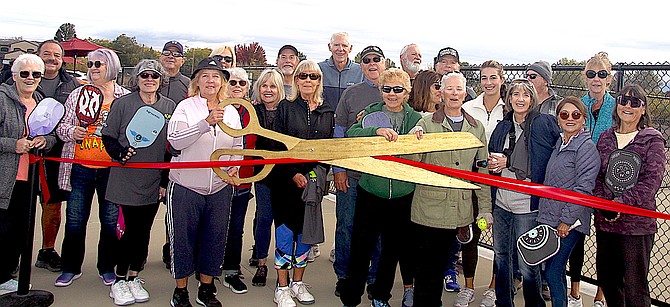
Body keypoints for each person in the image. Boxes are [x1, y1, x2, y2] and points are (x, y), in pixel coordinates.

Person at [408, 71, 492, 307]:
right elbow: (411, 162)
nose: (454, 93)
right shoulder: (425, 124)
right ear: (441, 93)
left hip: (459, 211)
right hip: (428, 210)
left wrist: (485, 209)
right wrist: (414, 141)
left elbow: (481, 171)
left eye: (459, 89)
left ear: (465, 93)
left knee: (446, 263)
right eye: (449, 89)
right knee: (426, 274)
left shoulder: (476, 129)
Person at [339, 68, 422, 307]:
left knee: (390, 250)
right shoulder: (372, 113)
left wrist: (418, 137)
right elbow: (351, 134)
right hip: (370, 190)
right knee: (361, 246)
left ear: (406, 92)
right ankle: (351, 296)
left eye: (398, 89)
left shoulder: (415, 118)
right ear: (380, 90)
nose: (392, 94)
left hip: (402, 193)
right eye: (387, 89)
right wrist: (375, 132)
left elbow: (423, 144)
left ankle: (380, 295)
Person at [166, 57, 241, 307]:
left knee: (216, 237)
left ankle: (206, 287)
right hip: (186, 186)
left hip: (220, 187)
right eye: (206, 76)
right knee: (183, 239)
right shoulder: (186, 107)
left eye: (216, 76)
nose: (211, 80)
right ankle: (181, 289)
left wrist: (233, 164)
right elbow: (175, 141)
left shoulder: (231, 110)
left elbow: (237, 144)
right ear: (197, 81)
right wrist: (204, 124)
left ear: (222, 82)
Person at [102, 59, 175, 306]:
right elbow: (108, 137)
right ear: (136, 79)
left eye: (154, 75)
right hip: (124, 180)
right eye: (144, 75)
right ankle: (119, 280)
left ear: (160, 80)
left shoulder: (169, 106)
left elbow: (169, 148)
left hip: (153, 181)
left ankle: (134, 277)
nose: (150, 79)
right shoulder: (122, 104)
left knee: (143, 231)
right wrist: (119, 153)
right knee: (126, 232)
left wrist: (164, 181)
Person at [55, 48, 130, 287]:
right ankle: (70, 267)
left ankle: (107, 267)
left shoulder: (125, 97)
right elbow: (61, 127)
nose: (94, 67)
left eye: (100, 63)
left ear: (112, 67)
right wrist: (72, 132)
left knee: (110, 221)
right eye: (91, 63)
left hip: (112, 169)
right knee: (75, 219)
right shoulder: (77, 95)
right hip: (80, 167)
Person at [488, 78, 560, 307]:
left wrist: (509, 161)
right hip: (501, 201)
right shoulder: (503, 125)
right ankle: (504, 301)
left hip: (526, 205)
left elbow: (542, 162)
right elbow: (493, 155)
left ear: (532, 99)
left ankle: (534, 303)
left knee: (528, 262)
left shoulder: (542, 124)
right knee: (501, 257)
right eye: (515, 94)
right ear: (508, 99)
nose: (520, 99)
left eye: (525, 95)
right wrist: (493, 163)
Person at [593, 84, 665, 307]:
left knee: (635, 287)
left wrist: (620, 204)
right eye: (623, 100)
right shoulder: (606, 137)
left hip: (636, 226)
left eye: (635, 103)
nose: (628, 106)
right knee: (608, 279)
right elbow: (596, 175)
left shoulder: (652, 139)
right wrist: (604, 204)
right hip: (606, 224)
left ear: (643, 109)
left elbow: (652, 180)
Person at [272, 60, 334, 307]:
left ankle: (298, 283)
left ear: (319, 81)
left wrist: (317, 175)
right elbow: (277, 147)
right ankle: (282, 287)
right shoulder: (285, 108)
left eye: (313, 76)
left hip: (313, 183)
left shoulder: (327, 110)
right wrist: (292, 173)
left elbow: (329, 148)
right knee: (286, 234)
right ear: (296, 80)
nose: (308, 81)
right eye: (303, 76)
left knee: (305, 235)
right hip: (287, 182)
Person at [332, 45, 386, 302]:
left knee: (378, 232)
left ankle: (375, 280)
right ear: (361, 64)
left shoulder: (395, 91)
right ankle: (344, 276)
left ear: (384, 63)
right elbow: (339, 130)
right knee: (346, 227)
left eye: (377, 59)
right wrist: (339, 168)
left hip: (382, 177)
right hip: (352, 176)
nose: (372, 64)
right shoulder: (351, 93)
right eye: (367, 60)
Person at [0, 54, 56, 292]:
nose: (30, 78)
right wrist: (14, 144)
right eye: (25, 73)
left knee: (19, 233)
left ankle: (7, 276)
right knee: (3, 230)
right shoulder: (2, 99)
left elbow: (53, 134)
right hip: (5, 179)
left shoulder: (42, 101)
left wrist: (46, 140)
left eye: (36, 74)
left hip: (30, 179)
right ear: (14, 76)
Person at [536, 96, 600, 307]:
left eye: (575, 115)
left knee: (554, 271)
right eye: (564, 114)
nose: (569, 119)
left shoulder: (586, 148)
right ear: (558, 119)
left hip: (568, 223)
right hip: (550, 218)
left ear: (583, 119)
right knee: (553, 271)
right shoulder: (559, 143)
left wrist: (566, 220)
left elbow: (583, 188)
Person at [458, 60, 506, 306]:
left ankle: (493, 288)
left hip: (500, 181)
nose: (488, 82)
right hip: (472, 178)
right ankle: (468, 286)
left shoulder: (509, 109)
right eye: (484, 78)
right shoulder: (468, 107)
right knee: (470, 235)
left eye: (493, 77)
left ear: (501, 79)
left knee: (500, 237)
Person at [569, 52, 615, 306]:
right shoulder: (578, 106)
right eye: (591, 74)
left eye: (601, 74)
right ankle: (574, 292)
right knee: (577, 236)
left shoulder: (618, 108)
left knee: (605, 241)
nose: (596, 79)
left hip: (606, 183)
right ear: (584, 78)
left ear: (609, 78)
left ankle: (600, 294)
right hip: (580, 180)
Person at [33, 39, 80, 273]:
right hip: (21, 153)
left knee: (52, 207)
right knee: (15, 206)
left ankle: (47, 250)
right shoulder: (20, 77)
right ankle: (10, 255)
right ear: (37, 55)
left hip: (56, 154)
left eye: (56, 55)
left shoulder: (71, 85)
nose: (52, 59)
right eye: (47, 54)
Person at [248, 69, 285, 288]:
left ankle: (283, 263)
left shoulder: (286, 111)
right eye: (264, 86)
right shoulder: (253, 111)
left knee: (283, 221)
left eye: (272, 86)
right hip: (261, 173)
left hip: (283, 174)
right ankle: (261, 261)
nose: (268, 90)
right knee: (264, 218)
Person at [220, 67, 255, 295]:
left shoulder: (253, 113)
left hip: (243, 180)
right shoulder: (215, 108)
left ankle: (232, 270)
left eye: (242, 83)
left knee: (235, 229)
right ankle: (208, 267)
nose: (237, 87)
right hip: (216, 180)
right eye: (232, 82)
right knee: (213, 227)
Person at [158, 40, 190, 270]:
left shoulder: (188, 86)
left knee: (175, 209)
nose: (171, 57)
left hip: (177, 154)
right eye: (166, 53)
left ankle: (173, 248)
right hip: (149, 155)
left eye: (176, 54)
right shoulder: (149, 80)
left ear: (182, 60)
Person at [318, 32, 363, 109]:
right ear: (329, 47)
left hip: (350, 120)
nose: (340, 49)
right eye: (336, 45)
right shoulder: (318, 69)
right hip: (323, 119)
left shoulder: (361, 71)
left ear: (350, 48)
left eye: (344, 45)